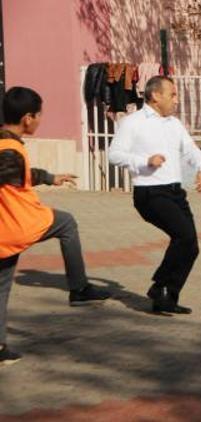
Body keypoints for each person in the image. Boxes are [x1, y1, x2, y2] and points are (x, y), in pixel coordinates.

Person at [0, 87, 111, 365]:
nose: (39, 120)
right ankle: (79, 289)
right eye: (39, 115)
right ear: (27, 118)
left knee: (2, 286)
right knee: (67, 223)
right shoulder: (10, 149)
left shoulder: (7, 145)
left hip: (6, 227)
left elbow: (20, 174)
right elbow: (10, 174)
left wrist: (51, 178)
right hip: (19, 222)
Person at [109, 76, 201, 314]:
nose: (176, 100)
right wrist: (144, 160)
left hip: (175, 192)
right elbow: (115, 155)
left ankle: (166, 297)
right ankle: (159, 288)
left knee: (191, 246)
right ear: (156, 96)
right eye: (172, 94)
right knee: (184, 237)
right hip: (149, 193)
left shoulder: (174, 124)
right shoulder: (133, 122)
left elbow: (191, 150)